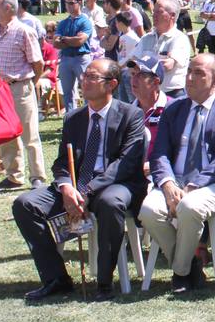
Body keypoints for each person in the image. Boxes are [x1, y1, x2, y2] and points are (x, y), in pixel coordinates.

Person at [11, 58, 147, 302]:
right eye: (85, 76)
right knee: (25, 204)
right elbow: (62, 161)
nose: (85, 81)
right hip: (74, 183)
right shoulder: (73, 118)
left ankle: (104, 282)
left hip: (113, 184)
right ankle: (56, 278)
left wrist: (86, 191)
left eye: (93, 77)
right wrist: (66, 188)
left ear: (112, 84)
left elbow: (125, 164)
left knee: (110, 203)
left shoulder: (131, 115)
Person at [140, 54, 215, 294]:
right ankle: (190, 267)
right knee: (149, 211)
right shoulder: (174, 109)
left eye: (199, 73)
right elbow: (159, 153)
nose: (190, 77)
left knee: (189, 207)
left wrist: (194, 185)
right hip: (175, 181)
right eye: (189, 71)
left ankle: (180, 274)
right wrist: (168, 184)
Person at [0, 0, 46, 189]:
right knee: (6, 134)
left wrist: (29, 84)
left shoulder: (24, 31)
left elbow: (38, 63)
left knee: (29, 135)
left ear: (8, 8)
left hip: (20, 88)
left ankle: (37, 176)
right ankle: (14, 175)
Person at [137, 0, 193, 97]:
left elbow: (168, 65)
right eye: (154, 11)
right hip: (149, 95)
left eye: (159, 12)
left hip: (172, 95)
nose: (154, 15)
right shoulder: (146, 38)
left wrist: (143, 64)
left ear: (172, 15)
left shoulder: (179, 39)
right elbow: (132, 62)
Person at [54, 0, 96, 111]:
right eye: (66, 3)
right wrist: (71, 40)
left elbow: (80, 41)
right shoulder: (63, 23)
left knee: (87, 90)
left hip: (81, 58)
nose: (68, 5)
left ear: (79, 3)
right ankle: (70, 118)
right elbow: (56, 43)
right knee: (67, 93)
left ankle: (88, 117)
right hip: (66, 59)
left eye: (71, 3)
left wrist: (64, 39)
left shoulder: (85, 21)